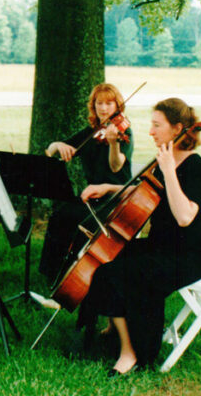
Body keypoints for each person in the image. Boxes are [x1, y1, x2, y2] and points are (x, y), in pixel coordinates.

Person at [75, 97, 201, 374]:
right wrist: (106, 187)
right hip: (159, 246)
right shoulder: (164, 159)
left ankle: (131, 353)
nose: (150, 131)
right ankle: (115, 327)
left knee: (123, 273)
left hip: (187, 255)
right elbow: (144, 193)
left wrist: (169, 171)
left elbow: (184, 216)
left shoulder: (196, 167)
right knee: (106, 258)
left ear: (177, 129)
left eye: (156, 125)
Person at [39, 83, 134, 281]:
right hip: (92, 196)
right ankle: (51, 273)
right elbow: (51, 150)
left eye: (109, 103)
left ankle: (76, 276)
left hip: (114, 198)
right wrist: (58, 145)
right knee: (59, 216)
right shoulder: (92, 131)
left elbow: (116, 167)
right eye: (99, 103)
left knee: (80, 222)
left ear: (118, 106)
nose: (104, 108)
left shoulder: (123, 133)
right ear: (94, 105)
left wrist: (113, 143)